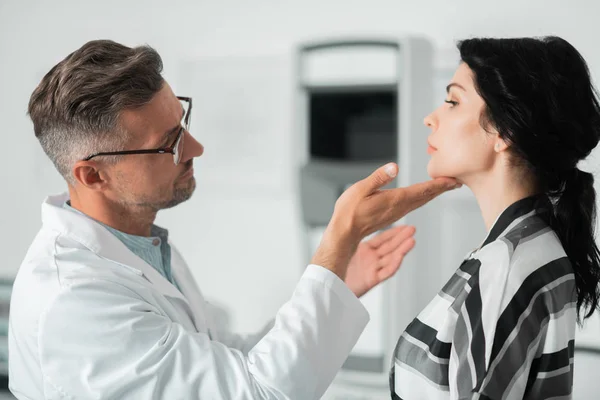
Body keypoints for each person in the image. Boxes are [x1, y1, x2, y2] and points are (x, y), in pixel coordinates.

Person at [7, 40, 459, 399]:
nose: (196, 148)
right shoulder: (75, 304)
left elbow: (229, 360)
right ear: (93, 175)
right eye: (170, 144)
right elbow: (259, 393)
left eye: (184, 124)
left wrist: (339, 278)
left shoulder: (139, 246)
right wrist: (336, 242)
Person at [389, 36, 600, 399]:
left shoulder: (506, 268)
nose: (430, 118)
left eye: (453, 102)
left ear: (504, 131)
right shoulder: (526, 248)